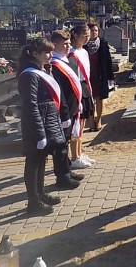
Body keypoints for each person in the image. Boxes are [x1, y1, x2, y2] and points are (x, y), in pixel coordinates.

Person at [18, 38, 66, 215]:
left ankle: (41, 193)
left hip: (45, 122)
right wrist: (39, 133)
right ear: (35, 54)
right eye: (46, 52)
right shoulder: (29, 75)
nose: (50, 55)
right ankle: (33, 202)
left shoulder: (42, 70)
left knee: (41, 161)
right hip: (36, 125)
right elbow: (30, 105)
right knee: (33, 163)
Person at [49, 30, 85, 189]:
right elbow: (59, 91)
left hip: (71, 107)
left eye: (69, 42)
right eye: (65, 44)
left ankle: (68, 170)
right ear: (55, 45)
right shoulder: (54, 65)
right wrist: (64, 113)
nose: (69, 46)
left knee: (67, 140)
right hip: (63, 111)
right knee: (61, 145)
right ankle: (62, 177)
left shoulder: (64, 60)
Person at [68, 24, 95, 169]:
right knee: (75, 124)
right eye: (84, 35)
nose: (87, 38)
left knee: (82, 122)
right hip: (76, 88)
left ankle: (79, 152)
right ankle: (74, 156)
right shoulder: (72, 54)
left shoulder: (84, 51)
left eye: (88, 35)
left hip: (85, 87)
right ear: (76, 36)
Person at [84, 22, 115, 132]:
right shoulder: (84, 46)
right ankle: (92, 120)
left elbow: (108, 61)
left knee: (100, 99)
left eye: (96, 31)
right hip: (88, 76)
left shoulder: (103, 44)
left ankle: (99, 119)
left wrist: (111, 77)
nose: (94, 33)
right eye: (92, 31)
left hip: (100, 75)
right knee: (90, 100)